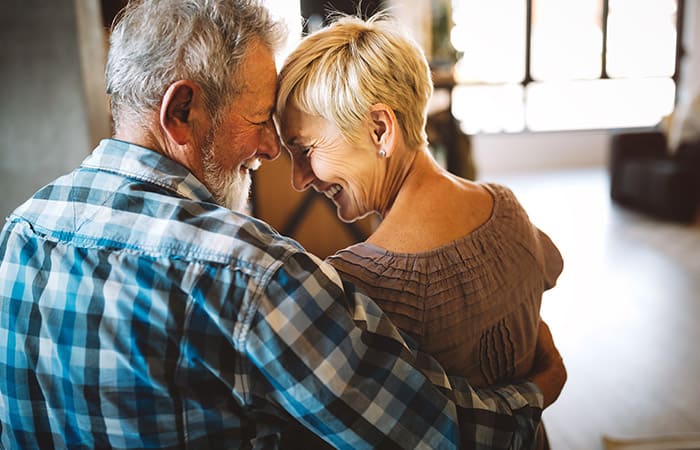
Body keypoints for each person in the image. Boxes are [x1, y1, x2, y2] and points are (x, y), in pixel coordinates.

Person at [0, 1, 565, 449]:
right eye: (259, 122)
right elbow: (429, 432)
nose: (272, 152)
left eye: (298, 142)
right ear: (182, 112)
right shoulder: (253, 276)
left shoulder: (20, 234)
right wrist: (536, 392)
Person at [276, 13, 565, 448]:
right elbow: (548, 270)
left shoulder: (356, 283)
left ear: (380, 130)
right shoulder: (507, 208)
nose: (299, 179)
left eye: (305, 149)